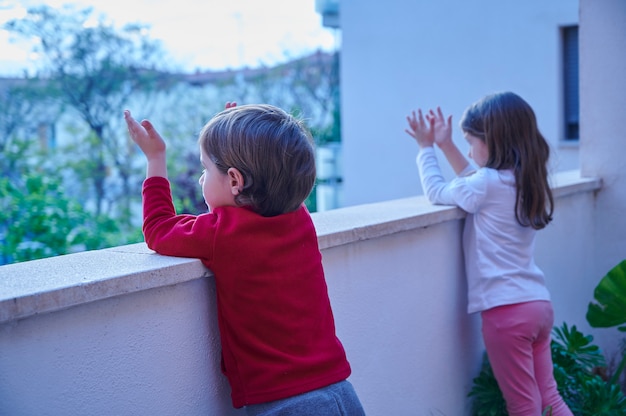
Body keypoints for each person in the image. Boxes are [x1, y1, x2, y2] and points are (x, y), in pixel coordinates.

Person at [124, 103, 365, 416]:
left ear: (236, 180)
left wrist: (155, 158)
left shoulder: (222, 233)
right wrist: (242, 137)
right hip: (340, 392)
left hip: (288, 405)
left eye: (205, 169)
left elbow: (157, 229)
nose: (200, 179)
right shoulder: (300, 218)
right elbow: (276, 173)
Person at [404, 92, 573, 416]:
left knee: (524, 406)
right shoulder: (525, 179)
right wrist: (447, 144)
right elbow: (474, 179)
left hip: (506, 313)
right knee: (550, 398)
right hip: (537, 304)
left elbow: (439, 192)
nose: (468, 150)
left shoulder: (486, 184)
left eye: (470, 141)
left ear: (492, 140)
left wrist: (426, 148)